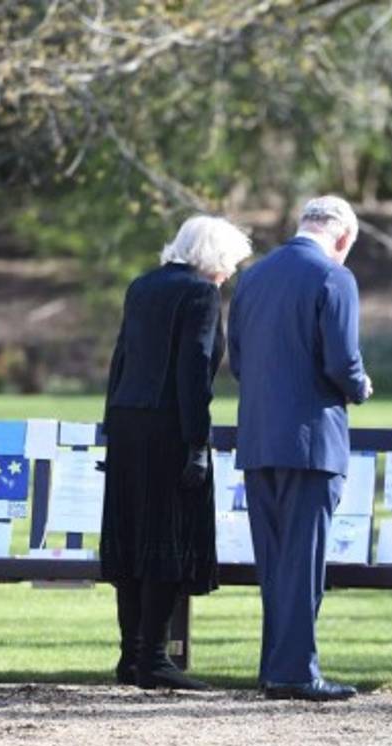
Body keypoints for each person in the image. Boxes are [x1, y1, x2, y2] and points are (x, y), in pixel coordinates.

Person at [227, 195, 373, 702]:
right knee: (303, 562)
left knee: (275, 563)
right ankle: (293, 673)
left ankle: (277, 667)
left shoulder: (253, 277)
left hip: (259, 437)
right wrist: (360, 387)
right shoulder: (335, 278)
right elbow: (341, 360)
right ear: (344, 237)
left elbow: (238, 362)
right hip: (312, 441)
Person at [101, 214, 252, 690]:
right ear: (212, 255)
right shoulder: (199, 294)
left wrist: (111, 425)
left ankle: (130, 656)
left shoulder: (142, 286)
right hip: (168, 426)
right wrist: (197, 442)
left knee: (132, 539)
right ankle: (155, 659)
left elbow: (120, 359)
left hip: (127, 420)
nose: (230, 271)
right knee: (166, 537)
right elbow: (193, 372)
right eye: (229, 260)